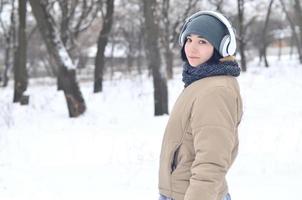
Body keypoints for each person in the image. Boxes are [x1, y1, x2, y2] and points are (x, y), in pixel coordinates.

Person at [158, 10, 243, 200]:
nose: (192, 48)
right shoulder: (201, 82)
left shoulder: (215, 91)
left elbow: (211, 161)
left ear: (222, 46)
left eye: (202, 41)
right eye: (189, 39)